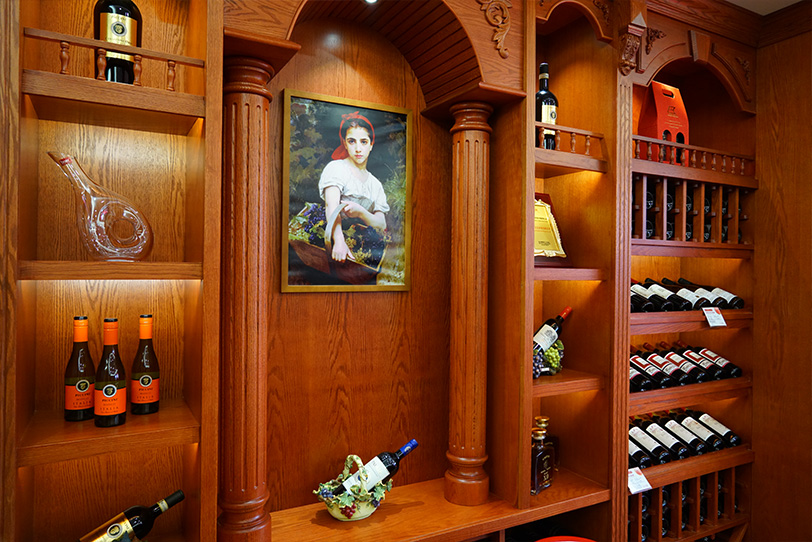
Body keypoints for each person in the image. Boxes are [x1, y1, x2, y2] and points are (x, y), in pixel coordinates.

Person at [318, 111, 389, 262]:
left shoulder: (375, 184)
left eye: (363, 142)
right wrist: (339, 241)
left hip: (362, 249)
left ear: (371, 145)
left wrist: (361, 213)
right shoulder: (336, 168)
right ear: (344, 143)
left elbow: (381, 224)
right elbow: (331, 206)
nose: (358, 149)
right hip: (334, 244)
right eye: (351, 141)